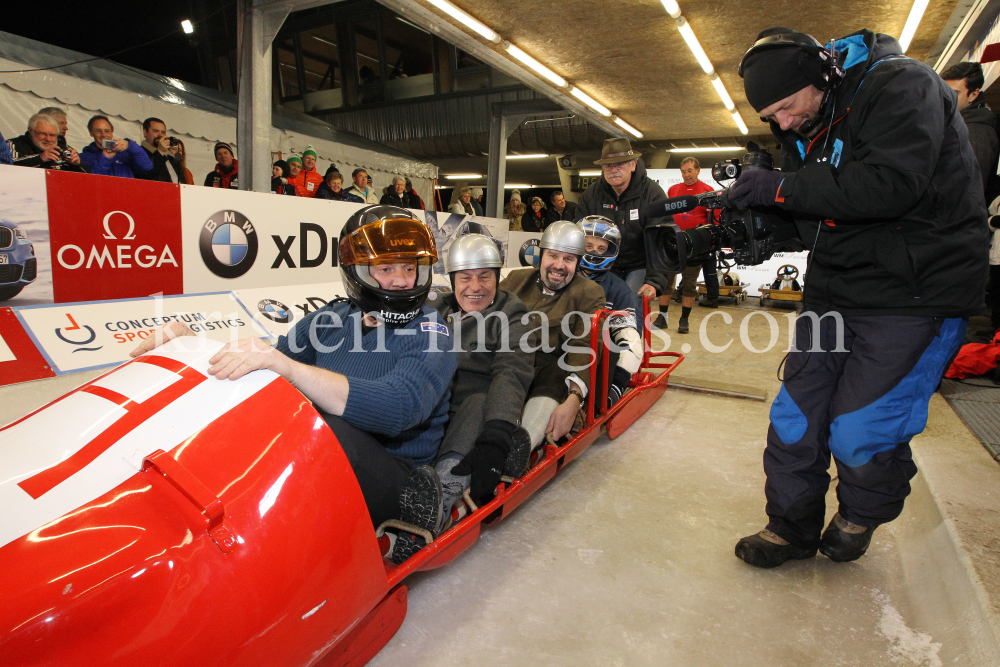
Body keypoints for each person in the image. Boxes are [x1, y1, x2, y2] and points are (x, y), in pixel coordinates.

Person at [730, 27, 987, 568]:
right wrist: (764, 230)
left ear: (819, 76)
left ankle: (860, 513)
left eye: (785, 106)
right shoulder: (805, 126)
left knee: (860, 429)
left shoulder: (903, 86)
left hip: (914, 294)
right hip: (833, 294)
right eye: (769, 116)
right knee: (796, 417)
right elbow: (818, 218)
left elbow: (891, 186)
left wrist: (781, 188)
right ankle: (790, 526)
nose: (781, 122)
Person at [131, 204, 457, 564]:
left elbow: (399, 407)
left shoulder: (432, 331)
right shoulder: (332, 317)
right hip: (320, 460)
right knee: (277, 419)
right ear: (358, 272)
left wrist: (292, 370)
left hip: (398, 479)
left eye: (409, 268)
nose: (401, 281)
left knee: (326, 428)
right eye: (386, 268)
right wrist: (190, 343)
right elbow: (263, 371)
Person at [431, 234, 535, 537]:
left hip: (474, 408)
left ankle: (443, 490)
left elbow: (511, 370)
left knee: (478, 402)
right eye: (465, 278)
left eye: (484, 277)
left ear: (497, 279)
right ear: (452, 281)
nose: (474, 287)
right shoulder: (435, 309)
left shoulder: (513, 314)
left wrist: (497, 435)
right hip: (433, 405)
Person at [500, 221, 607, 448]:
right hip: (505, 362)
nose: (559, 265)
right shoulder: (516, 280)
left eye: (568, 259)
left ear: (577, 262)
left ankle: (522, 446)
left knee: (557, 371)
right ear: (541, 255)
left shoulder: (588, 292)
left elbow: (584, 345)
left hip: (548, 372)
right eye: (553, 256)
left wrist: (573, 400)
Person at [574, 138, 671, 324]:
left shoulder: (653, 193)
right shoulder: (591, 195)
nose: (613, 169)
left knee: (630, 307)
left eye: (620, 164)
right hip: (601, 264)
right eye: (608, 165)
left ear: (633, 165)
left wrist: (655, 281)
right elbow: (577, 234)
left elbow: (662, 241)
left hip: (639, 264)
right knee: (593, 307)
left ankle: (628, 349)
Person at [577, 216, 643, 406]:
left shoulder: (619, 288)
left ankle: (612, 392)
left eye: (601, 248)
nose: (594, 252)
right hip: (559, 344)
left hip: (599, 350)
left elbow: (628, 334)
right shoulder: (562, 275)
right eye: (588, 246)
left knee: (632, 343)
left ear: (611, 251)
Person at [656, 156, 721, 332]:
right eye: (684, 171)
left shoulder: (707, 191)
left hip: (695, 246)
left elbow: (714, 219)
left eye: (690, 170)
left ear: (698, 170)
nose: (687, 175)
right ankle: (662, 318)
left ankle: (684, 320)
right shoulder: (673, 190)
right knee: (666, 282)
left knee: (689, 284)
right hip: (672, 245)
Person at [942, 61, 999, 198]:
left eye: (955, 93)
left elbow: (968, 193)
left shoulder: (976, 135)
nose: (946, 98)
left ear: (973, 95)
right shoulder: (956, 125)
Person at [79, 115, 153, 178]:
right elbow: (91, 180)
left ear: (112, 132)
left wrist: (130, 145)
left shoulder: (124, 153)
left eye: (107, 131)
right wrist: (106, 158)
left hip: (126, 194)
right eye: (98, 131)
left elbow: (147, 166)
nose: (103, 134)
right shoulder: (83, 157)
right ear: (91, 133)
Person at [7, 113, 85, 172]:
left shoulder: (63, 149)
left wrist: (77, 164)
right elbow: (8, 167)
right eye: (42, 134)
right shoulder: (13, 144)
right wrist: (41, 158)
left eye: (52, 135)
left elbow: (87, 177)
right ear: (31, 131)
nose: (48, 139)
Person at [137, 117, 182, 183]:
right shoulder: (138, 152)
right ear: (145, 132)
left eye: (163, 132)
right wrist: (160, 152)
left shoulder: (170, 157)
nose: (160, 135)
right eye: (156, 131)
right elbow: (144, 177)